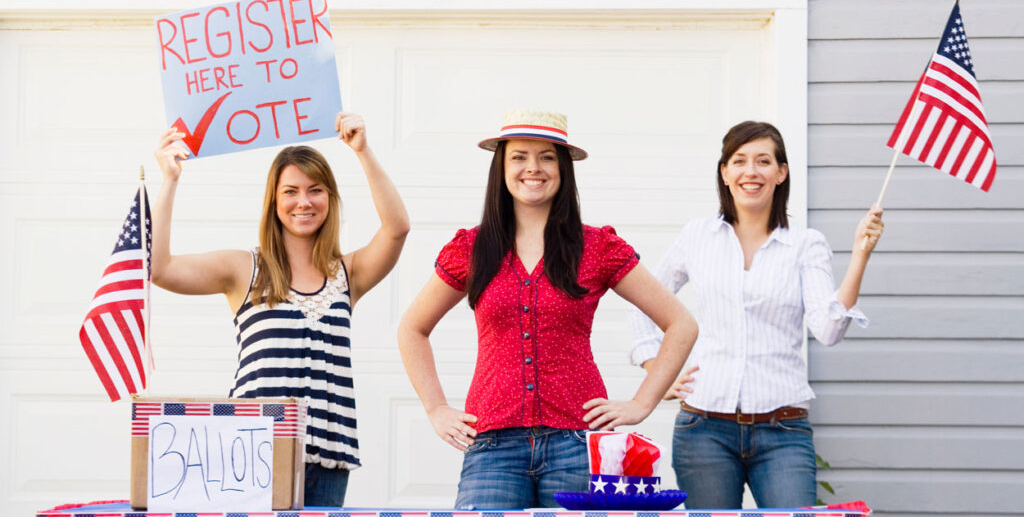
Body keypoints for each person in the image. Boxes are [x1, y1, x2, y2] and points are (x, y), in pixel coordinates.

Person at [397, 109, 699, 510]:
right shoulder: (472, 247)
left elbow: (681, 323)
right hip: (492, 445)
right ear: (501, 167)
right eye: (519, 156)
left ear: (563, 168)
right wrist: (435, 408)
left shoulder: (597, 248)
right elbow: (412, 329)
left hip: (577, 440)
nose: (532, 168)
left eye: (547, 156)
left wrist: (641, 403)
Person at [151, 112, 410, 507]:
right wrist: (169, 180)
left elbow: (397, 228)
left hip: (328, 458)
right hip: (250, 454)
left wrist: (363, 152)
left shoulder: (348, 273)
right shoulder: (243, 269)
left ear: (330, 199)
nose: (303, 202)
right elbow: (160, 268)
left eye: (315, 189)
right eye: (290, 191)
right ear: (274, 201)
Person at [629, 120, 884, 509]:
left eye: (764, 161)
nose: (751, 171)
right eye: (740, 161)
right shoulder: (697, 236)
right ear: (725, 173)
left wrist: (860, 255)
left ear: (781, 173)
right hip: (704, 429)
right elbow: (643, 303)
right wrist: (656, 369)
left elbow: (829, 330)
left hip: (783, 430)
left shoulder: (805, 244)